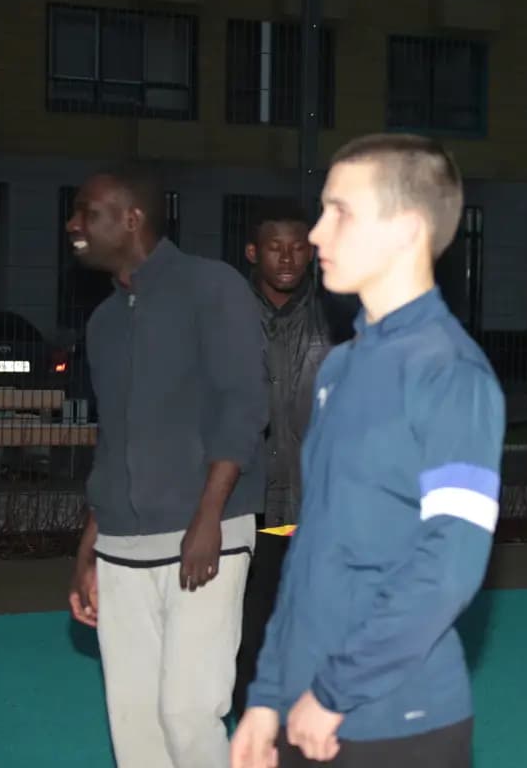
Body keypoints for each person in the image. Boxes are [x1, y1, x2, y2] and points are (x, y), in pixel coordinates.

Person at [230, 133, 505, 768]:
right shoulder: (340, 367)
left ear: (406, 229)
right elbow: (311, 551)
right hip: (303, 707)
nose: (317, 234)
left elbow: (450, 567)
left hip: (394, 725)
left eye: (341, 212)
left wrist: (334, 692)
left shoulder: (452, 373)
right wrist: (267, 697)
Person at [64, 164, 269, 768]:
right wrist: (89, 549)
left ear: (132, 219)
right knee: (134, 722)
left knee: (188, 711)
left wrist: (209, 517)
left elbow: (243, 406)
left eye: (87, 212)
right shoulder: (104, 322)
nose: (72, 225)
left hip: (205, 535)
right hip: (121, 545)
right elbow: (114, 442)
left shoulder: (212, 287)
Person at [232, 203, 354, 719]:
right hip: (245, 504)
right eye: (275, 247)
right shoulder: (227, 317)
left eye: (299, 247)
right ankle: (250, 731)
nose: (288, 257)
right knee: (245, 629)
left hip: (316, 506)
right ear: (252, 252)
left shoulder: (339, 318)